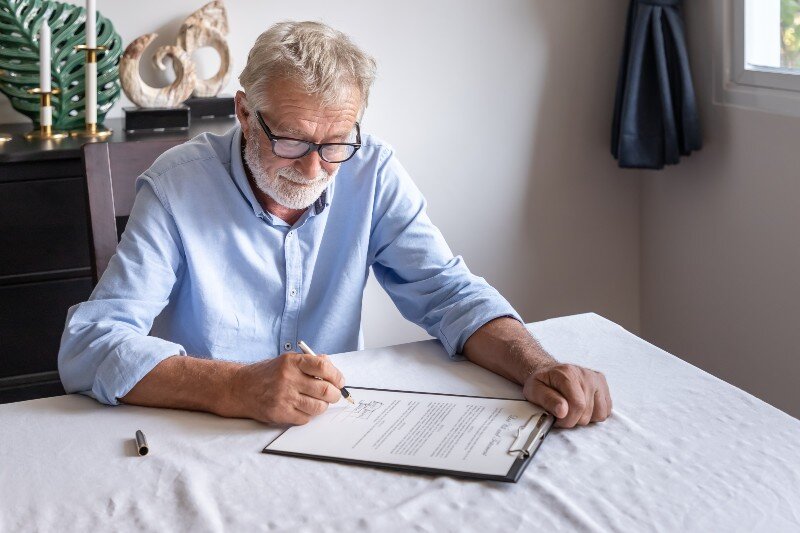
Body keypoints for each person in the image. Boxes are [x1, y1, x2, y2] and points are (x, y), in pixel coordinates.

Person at [58, 21, 611, 429]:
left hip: (329, 430)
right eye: (293, 140)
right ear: (245, 114)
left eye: (336, 143)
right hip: (199, 428)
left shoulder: (372, 169)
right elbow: (89, 345)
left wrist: (536, 367)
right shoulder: (176, 186)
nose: (315, 167)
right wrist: (233, 386)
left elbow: (450, 294)